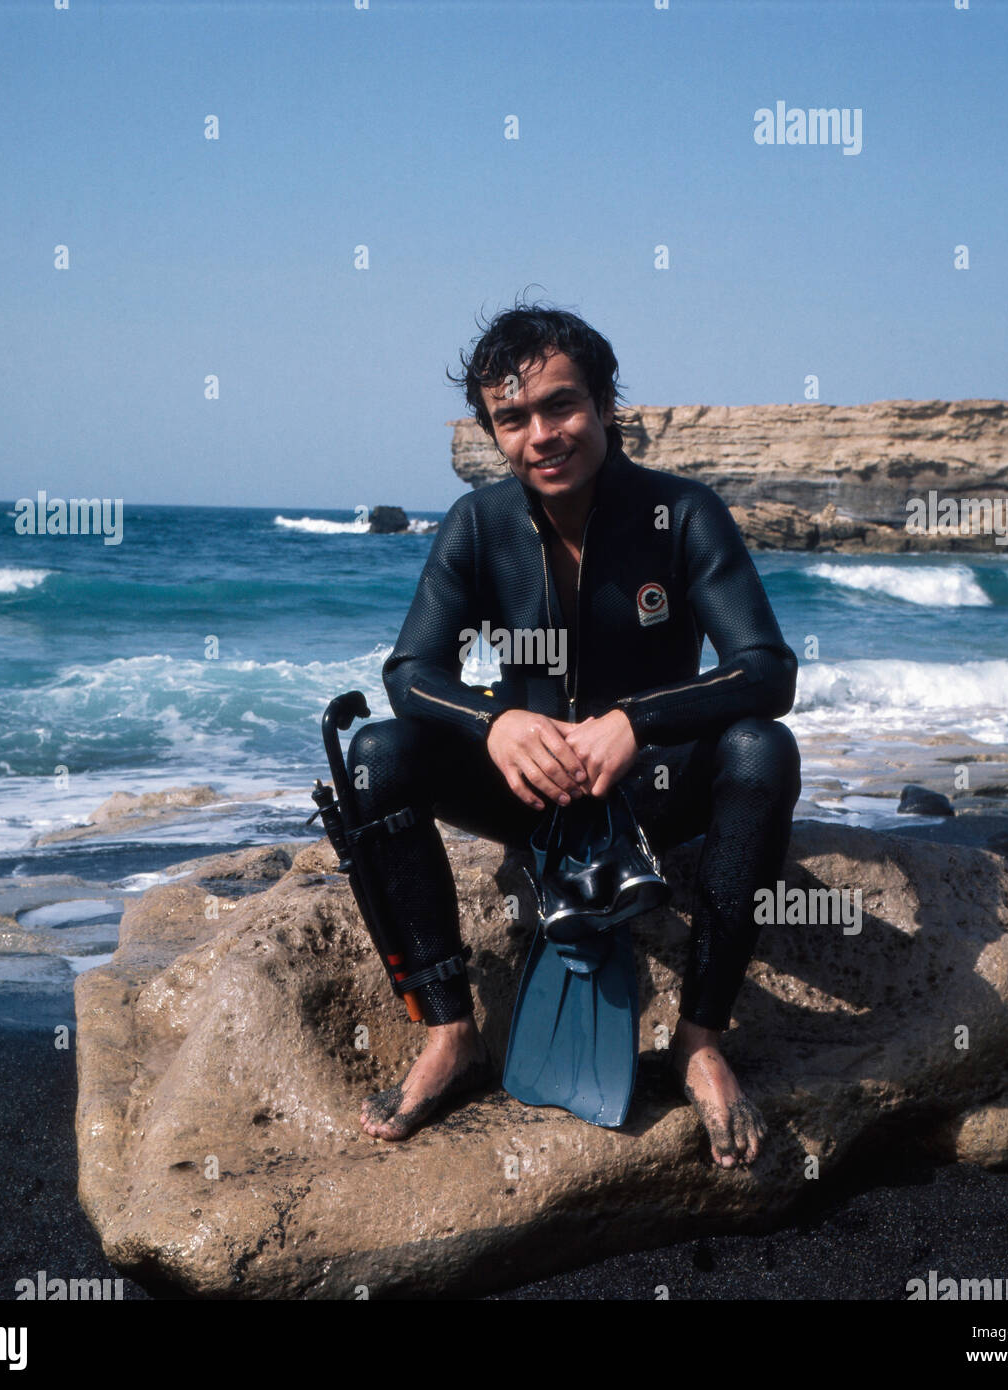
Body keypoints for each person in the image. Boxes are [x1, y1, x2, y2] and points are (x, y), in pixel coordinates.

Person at [352, 302, 801, 1168]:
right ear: (492, 430)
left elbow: (766, 672)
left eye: (560, 406)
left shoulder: (682, 512)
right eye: (511, 419)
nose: (540, 435)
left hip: (649, 790)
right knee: (376, 756)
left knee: (760, 748)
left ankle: (700, 1039)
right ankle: (450, 1033)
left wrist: (637, 720)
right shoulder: (479, 525)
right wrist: (496, 723)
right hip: (529, 797)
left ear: (603, 404)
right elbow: (408, 675)